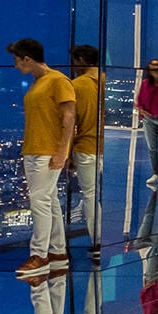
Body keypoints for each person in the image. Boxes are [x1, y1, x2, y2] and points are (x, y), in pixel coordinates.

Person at [9, 38, 75, 276]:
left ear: (28, 59)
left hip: (48, 151)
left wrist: (62, 151)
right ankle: (57, 252)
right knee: (49, 201)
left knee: (40, 202)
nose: (16, 66)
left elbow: (69, 118)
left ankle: (39, 255)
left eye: (17, 61)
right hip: (35, 150)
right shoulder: (38, 83)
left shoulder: (58, 80)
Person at [68, 45, 103, 253]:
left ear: (81, 60)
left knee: (90, 195)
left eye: (74, 61)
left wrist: (68, 152)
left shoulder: (77, 85)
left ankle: (97, 240)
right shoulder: (107, 80)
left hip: (86, 146)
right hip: (109, 146)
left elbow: (71, 122)